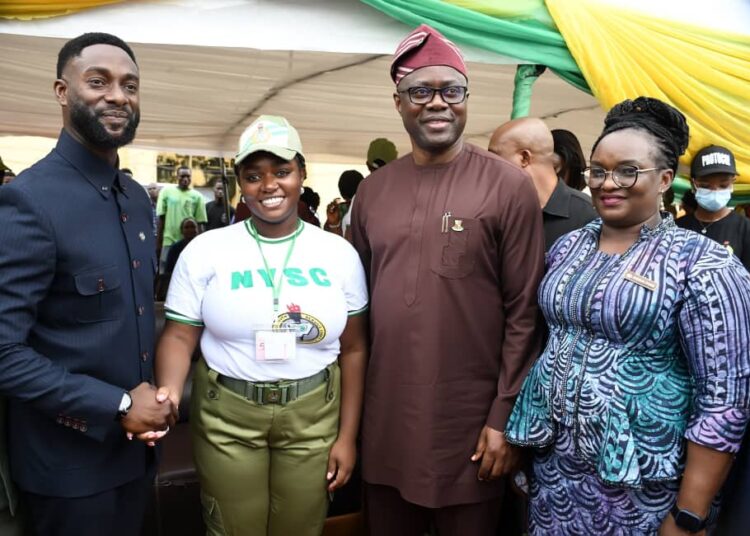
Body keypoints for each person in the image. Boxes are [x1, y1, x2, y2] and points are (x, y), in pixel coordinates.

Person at [505, 97, 750, 535]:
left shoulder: (703, 264)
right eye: (597, 171)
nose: (607, 183)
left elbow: (724, 400)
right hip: (556, 475)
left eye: (626, 171)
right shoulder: (569, 247)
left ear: (665, 180)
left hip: (646, 489)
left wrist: (688, 515)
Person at [351, 24, 544, 535]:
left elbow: (524, 313)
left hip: (471, 427)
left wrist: (504, 419)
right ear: (398, 103)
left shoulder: (507, 186)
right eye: (420, 91)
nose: (437, 103)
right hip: (387, 422)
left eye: (451, 90)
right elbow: (357, 317)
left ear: (466, 98)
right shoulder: (372, 193)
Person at [154, 114, 369, 536]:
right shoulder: (206, 250)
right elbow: (179, 337)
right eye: (254, 175)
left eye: (282, 172)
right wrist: (169, 397)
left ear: (301, 175)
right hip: (227, 414)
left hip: (313, 414)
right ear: (240, 183)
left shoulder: (338, 254)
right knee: (233, 529)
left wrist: (347, 437)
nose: (269, 186)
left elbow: (356, 348)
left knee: (301, 527)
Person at [0, 32, 175, 536]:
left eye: (130, 85)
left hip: (137, 457)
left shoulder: (138, 200)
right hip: (67, 471)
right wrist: (118, 405)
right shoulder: (29, 201)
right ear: (62, 90)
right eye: (98, 82)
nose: (118, 96)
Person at [489, 117, 596, 251]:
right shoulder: (497, 212)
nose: (488, 166)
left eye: (495, 157)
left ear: (524, 158)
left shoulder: (587, 216)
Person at [676, 145, 750, 271]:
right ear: (693, 184)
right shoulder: (677, 228)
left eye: (723, 185)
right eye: (705, 185)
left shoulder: (745, 228)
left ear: (733, 183)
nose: (715, 191)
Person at [156, 165, 207, 270]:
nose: (185, 179)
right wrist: (158, 243)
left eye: (188, 176)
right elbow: (161, 220)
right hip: (169, 241)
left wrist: (201, 245)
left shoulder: (197, 196)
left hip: (189, 243)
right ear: (177, 177)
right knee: (166, 273)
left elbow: (200, 223)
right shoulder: (166, 192)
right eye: (182, 176)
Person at [324, 169, 364, 236]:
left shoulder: (335, 211)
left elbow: (327, 233)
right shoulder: (371, 207)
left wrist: (333, 225)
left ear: (342, 194)